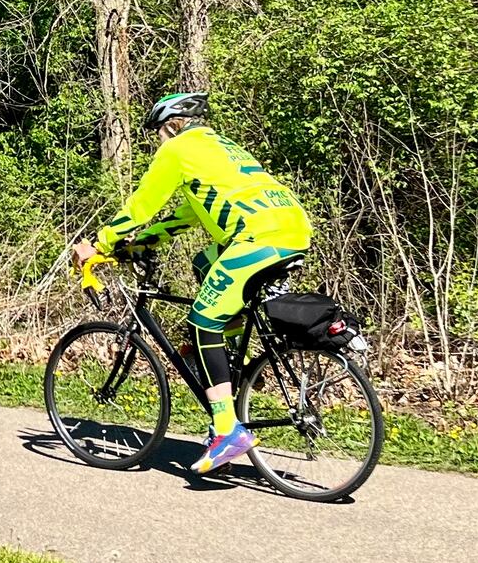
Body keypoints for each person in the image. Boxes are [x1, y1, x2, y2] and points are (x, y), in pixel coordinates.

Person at [72, 93, 311, 474]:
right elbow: (188, 214)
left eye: (157, 134)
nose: (158, 142)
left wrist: (101, 243)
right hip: (292, 231)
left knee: (202, 320)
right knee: (205, 262)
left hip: (260, 238)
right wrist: (142, 243)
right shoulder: (220, 148)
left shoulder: (178, 150)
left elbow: (141, 205)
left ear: (171, 125)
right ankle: (234, 360)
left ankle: (226, 429)